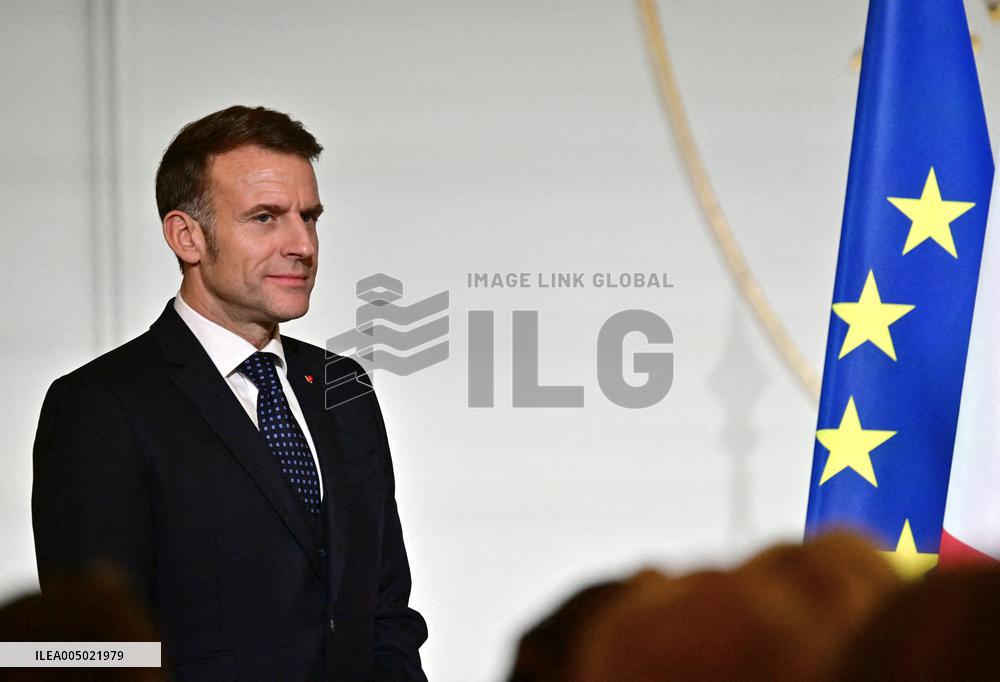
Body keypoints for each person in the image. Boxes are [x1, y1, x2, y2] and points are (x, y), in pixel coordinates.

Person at [31, 105, 427, 681]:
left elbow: (385, 611)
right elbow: (90, 650)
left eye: (309, 217)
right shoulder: (100, 406)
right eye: (265, 217)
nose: (301, 244)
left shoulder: (344, 388)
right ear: (186, 236)